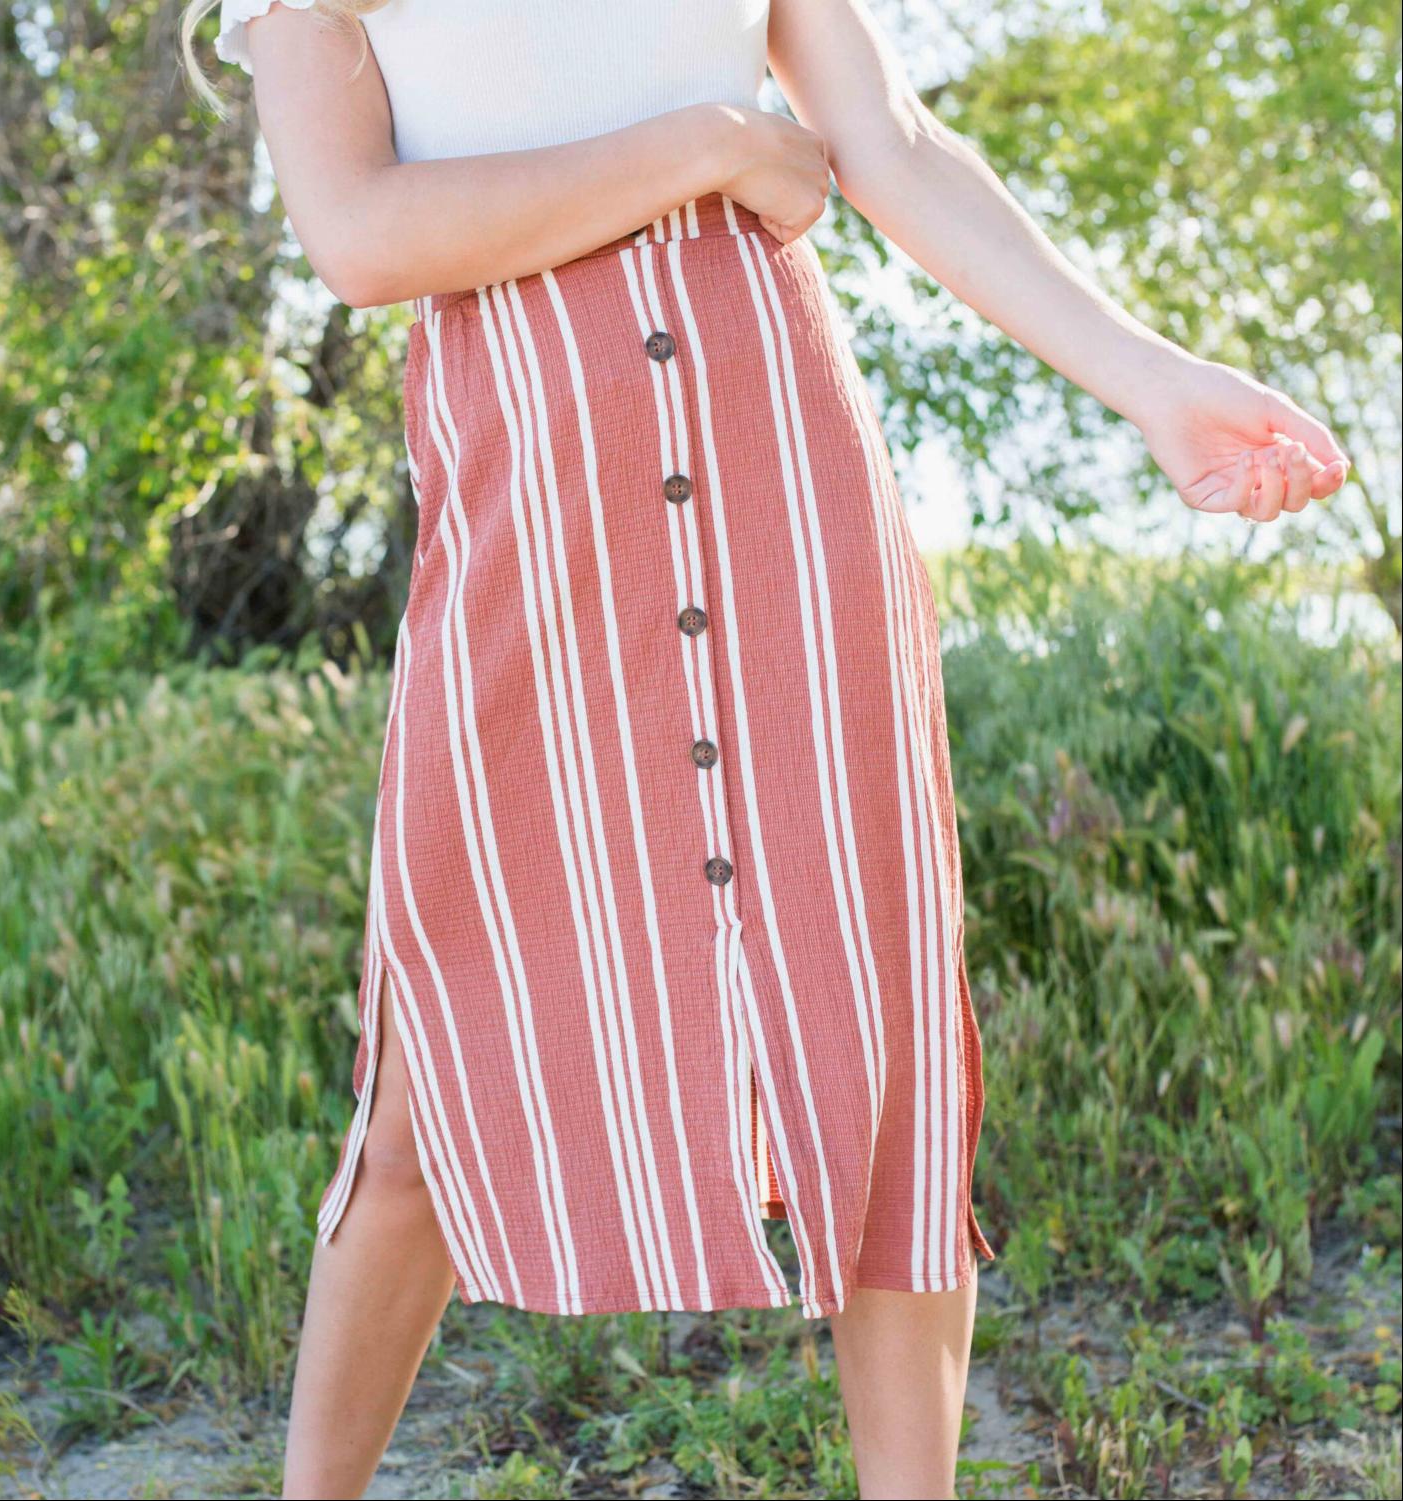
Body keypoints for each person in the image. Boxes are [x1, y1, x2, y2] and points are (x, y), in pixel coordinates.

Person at [183, 3, 1347, 1497]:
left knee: (876, 1043)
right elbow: (359, 234)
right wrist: (709, 143)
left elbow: (896, 146)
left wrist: (1154, 383)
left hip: (792, 502)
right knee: (434, 1062)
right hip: (532, 537)